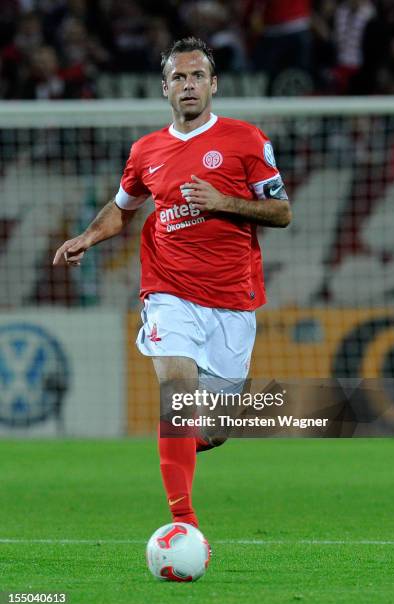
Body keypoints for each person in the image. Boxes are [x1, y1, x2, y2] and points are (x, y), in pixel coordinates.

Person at [53, 37, 291, 530]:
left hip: (232, 298)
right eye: (179, 77)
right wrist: (87, 237)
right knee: (178, 393)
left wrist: (223, 202)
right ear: (165, 89)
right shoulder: (146, 151)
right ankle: (183, 521)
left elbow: (282, 211)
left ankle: (181, 437)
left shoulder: (247, 140)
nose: (189, 85)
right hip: (168, 291)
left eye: (197, 75)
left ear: (214, 84)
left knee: (219, 428)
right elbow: (122, 211)